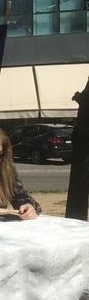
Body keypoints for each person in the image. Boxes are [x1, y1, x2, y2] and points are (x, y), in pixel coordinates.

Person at [66, 77, 89, 220]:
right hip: (82, 134)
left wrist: (79, 97)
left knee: (79, 184)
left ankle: (75, 218)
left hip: (83, 136)